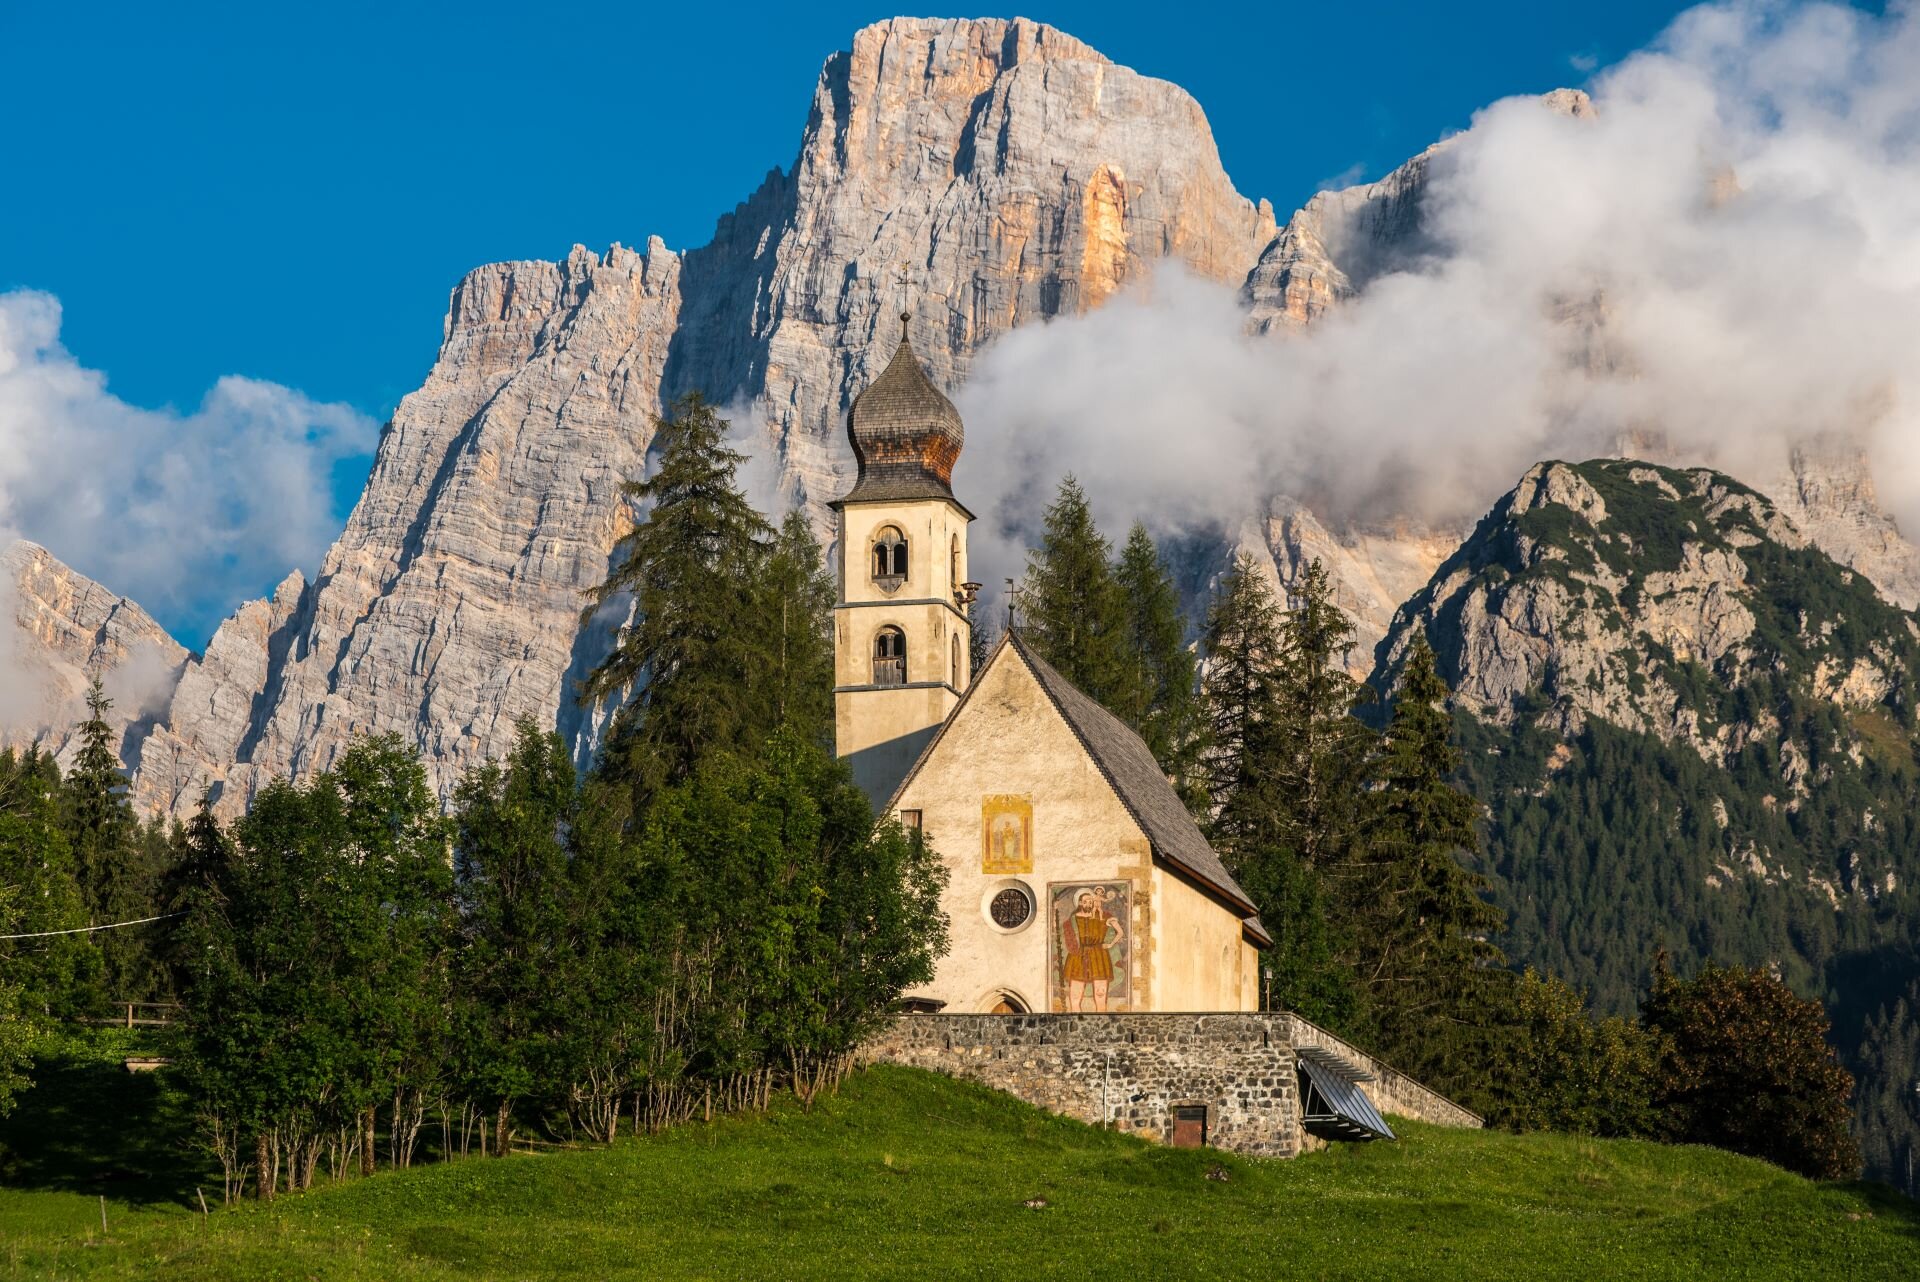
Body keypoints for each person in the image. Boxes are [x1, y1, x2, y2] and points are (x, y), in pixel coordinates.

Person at [1061, 888, 1124, 1011]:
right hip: (1078, 957)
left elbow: (1120, 932)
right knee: (1074, 997)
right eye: (1085, 902)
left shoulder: (1104, 917)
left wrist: (1110, 944)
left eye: (1090, 902)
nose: (1088, 904)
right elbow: (1069, 939)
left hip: (1099, 956)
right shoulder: (1073, 919)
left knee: (1100, 996)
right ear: (1080, 903)